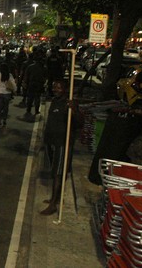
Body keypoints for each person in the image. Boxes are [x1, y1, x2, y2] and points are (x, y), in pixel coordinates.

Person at [40, 79, 81, 216]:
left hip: (62, 143)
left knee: (58, 173)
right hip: (51, 141)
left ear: (65, 89)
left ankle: (53, 205)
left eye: (59, 87)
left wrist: (73, 110)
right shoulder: (55, 101)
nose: (56, 89)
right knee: (54, 171)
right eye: (54, 87)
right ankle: (54, 198)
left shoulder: (70, 104)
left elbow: (79, 123)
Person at [0, 63, 16, 127]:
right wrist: (14, 90)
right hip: (7, 93)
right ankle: (4, 120)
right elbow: (13, 84)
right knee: (6, 107)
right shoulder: (9, 75)